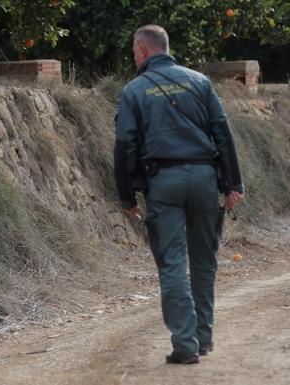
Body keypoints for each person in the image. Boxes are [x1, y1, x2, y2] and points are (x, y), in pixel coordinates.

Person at [114, 24, 244, 364]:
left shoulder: (134, 90)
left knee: (172, 263)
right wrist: (233, 185)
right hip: (204, 177)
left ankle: (185, 346)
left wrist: (127, 197)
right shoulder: (200, 82)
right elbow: (222, 131)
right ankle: (202, 339)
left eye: (133, 51)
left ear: (142, 51)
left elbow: (125, 145)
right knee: (204, 262)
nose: (133, 56)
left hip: (164, 183)